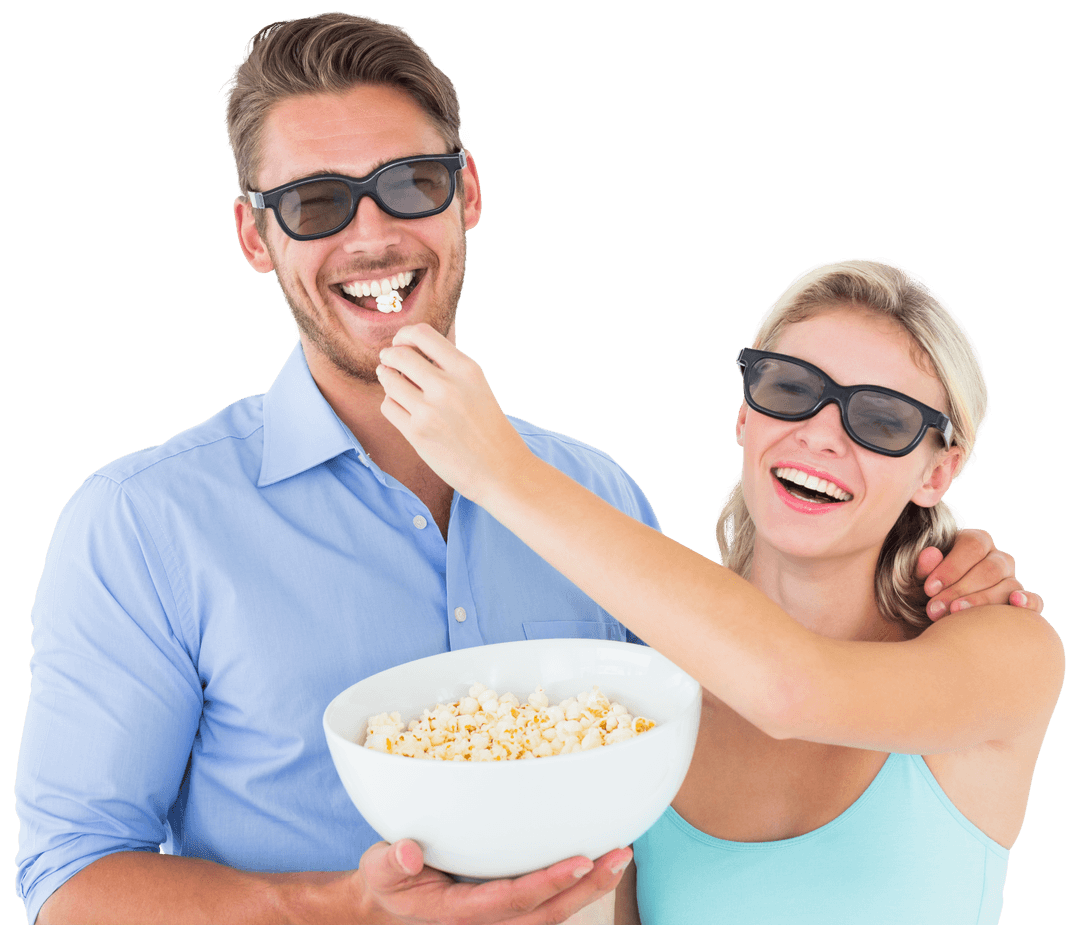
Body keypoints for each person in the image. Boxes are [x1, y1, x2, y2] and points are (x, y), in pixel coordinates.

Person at [13, 11, 1040, 924]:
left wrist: (946, 561)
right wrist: (338, 910)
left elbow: (779, 689)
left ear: (466, 195)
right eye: (318, 202)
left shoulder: (596, 502)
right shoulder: (144, 521)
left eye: (408, 184)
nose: (371, 234)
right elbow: (68, 881)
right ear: (254, 233)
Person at [374, 258, 1065, 924]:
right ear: (745, 416)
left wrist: (503, 472)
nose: (821, 434)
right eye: (791, 389)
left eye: (883, 420)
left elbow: (792, 692)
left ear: (936, 475)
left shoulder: (1009, 651)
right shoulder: (641, 700)